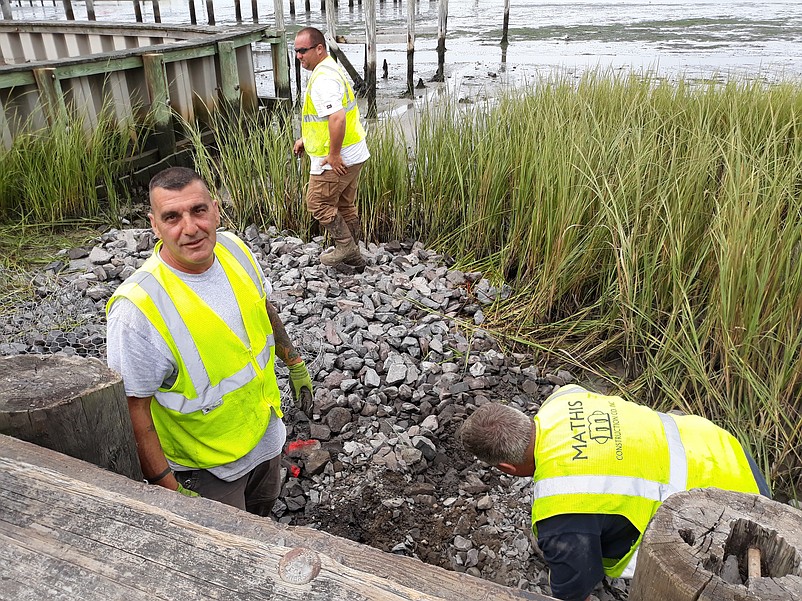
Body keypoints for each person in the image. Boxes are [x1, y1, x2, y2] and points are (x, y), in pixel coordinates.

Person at [106, 167, 314, 516]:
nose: (190, 228)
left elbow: (263, 307)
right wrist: (168, 489)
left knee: (261, 517)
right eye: (172, 217)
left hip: (265, 437)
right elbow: (133, 410)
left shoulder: (234, 249)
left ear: (215, 210)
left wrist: (293, 361)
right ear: (154, 225)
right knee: (226, 555)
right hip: (208, 472)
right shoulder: (138, 310)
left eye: (198, 210)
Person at [459, 384, 771, 601]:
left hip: (736, 515)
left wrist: (565, 560)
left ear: (507, 468)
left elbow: (574, 589)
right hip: (726, 450)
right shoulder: (564, 398)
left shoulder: (559, 507)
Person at [292, 26, 370, 273]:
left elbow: (337, 118)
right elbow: (327, 118)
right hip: (355, 151)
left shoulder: (323, 78)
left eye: (303, 51)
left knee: (317, 203)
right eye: (295, 51)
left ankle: (346, 246)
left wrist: (334, 155)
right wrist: (306, 139)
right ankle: (355, 258)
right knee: (345, 205)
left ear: (318, 48)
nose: (298, 56)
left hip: (339, 156)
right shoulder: (330, 69)